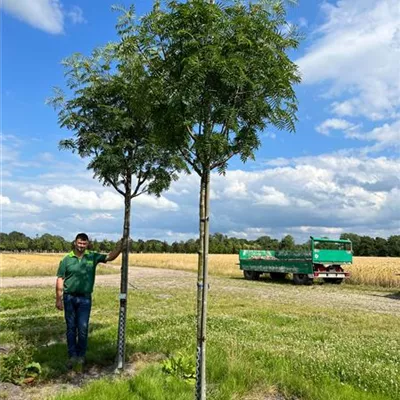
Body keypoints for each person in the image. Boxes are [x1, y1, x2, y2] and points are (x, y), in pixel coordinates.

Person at [55, 233, 124, 370]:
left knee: (83, 327)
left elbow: (109, 257)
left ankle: (81, 356)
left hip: (85, 299)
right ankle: (72, 355)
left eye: (84, 243)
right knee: (70, 328)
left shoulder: (92, 256)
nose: (81, 246)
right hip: (69, 298)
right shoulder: (66, 260)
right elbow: (60, 279)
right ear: (75, 242)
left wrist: (120, 246)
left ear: (87, 244)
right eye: (79, 243)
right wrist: (59, 298)